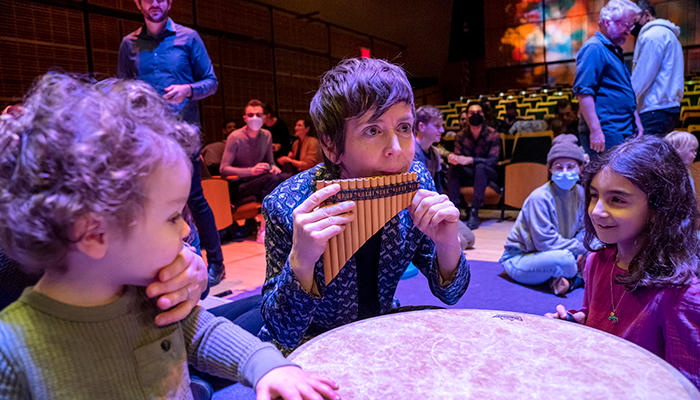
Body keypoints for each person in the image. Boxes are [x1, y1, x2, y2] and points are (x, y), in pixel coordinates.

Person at [0, 73, 339, 399]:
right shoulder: (12, 352)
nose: (186, 229)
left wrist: (266, 366)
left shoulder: (147, 291)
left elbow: (204, 332)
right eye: (173, 216)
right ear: (93, 233)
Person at [259, 58, 471, 353]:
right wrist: (302, 263)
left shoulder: (417, 181)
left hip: (380, 325)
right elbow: (282, 330)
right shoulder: (286, 203)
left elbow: (452, 294)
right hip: (312, 341)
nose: (396, 149)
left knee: (459, 337)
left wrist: (449, 245)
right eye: (373, 130)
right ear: (331, 145)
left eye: (404, 127)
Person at [546, 136, 700, 389]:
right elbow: (603, 320)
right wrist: (576, 322)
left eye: (617, 199)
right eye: (594, 196)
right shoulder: (597, 262)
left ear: (657, 209)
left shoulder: (682, 295)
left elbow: (687, 388)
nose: (596, 211)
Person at [118, 0, 225, 286]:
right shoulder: (128, 44)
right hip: (146, 140)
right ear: (138, 3)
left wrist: (188, 89)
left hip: (182, 137)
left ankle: (215, 262)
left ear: (170, 2)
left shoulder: (189, 37)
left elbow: (211, 81)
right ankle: (166, 262)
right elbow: (122, 91)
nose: (155, 2)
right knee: (151, 203)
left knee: (193, 198)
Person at [500, 135, 587, 295]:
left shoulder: (581, 194)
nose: (565, 172)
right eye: (559, 167)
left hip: (557, 252)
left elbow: (584, 230)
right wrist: (583, 249)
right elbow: (546, 243)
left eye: (571, 166)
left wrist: (586, 248)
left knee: (596, 252)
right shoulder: (539, 197)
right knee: (566, 259)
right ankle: (576, 280)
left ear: (580, 168)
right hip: (521, 259)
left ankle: (561, 277)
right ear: (550, 169)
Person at [573, 0, 644, 155]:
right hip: (607, 132)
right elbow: (584, 92)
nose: (629, 31)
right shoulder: (594, 48)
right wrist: (596, 130)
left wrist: (636, 122)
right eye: (626, 24)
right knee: (608, 178)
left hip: (623, 129)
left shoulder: (613, 51)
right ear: (606, 21)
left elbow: (624, 91)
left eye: (631, 26)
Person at [414, 105, 475, 250]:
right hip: (418, 213)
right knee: (461, 243)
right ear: (421, 126)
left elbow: (438, 188)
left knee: (469, 239)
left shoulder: (434, 153)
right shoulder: (411, 152)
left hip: (433, 208)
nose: (441, 130)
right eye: (437, 126)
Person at [631, 0, 684, 136]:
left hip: (654, 108)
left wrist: (626, 99)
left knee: (647, 156)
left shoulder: (652, 36)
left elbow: (643, 75)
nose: (630, 26)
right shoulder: (670, 35)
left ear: (647, 14)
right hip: (670, 108)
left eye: (633, 20)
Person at [446, 103, 501, 230]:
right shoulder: (460, 135)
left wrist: (471, 160)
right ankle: (456, 208)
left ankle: (474, 211)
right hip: (468, 173)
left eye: (479, 112)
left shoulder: (493, 134)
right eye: (472, 113)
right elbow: (459, 158)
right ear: (467, 115)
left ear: (483, 115)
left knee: (480, 167)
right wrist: (455, 159)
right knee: (453, 168)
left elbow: (493, 160)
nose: (475, 115)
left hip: (488, 173)